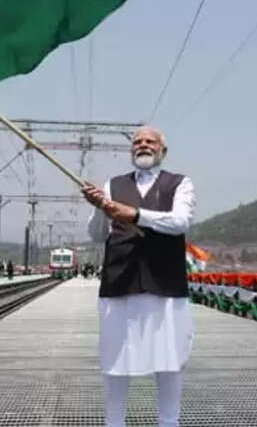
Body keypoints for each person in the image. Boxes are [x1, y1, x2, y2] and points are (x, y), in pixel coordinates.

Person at [81, 125, 196, 427]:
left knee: (170, 360)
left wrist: (134, 215)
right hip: (120, 281)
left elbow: (180, 222)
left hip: (164, 283)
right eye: (137, 142)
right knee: (116, 359)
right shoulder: (112, 184)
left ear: (162, 150)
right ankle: (114, 422)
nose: (142, 145)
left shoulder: (180, 184)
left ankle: (169, 422)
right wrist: (98, 209)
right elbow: (96, 235)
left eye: (150, 141)